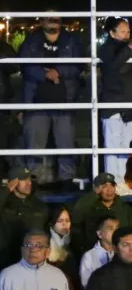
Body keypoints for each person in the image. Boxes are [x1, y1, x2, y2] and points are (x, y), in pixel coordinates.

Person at [18, 14, 82, 187]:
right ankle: (34, 181)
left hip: (65, 101)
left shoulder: (71, 41)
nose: (54, 20)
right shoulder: (31, 41)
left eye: (57, 17)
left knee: (66, 143)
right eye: (49, 18)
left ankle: (66, 180)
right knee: (34, 144)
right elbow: (24, 66)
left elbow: (79, 66)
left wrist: (58, 72)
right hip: (36, 102)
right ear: (41, 22)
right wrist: (45, 73)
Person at [98, 17, 132, 181]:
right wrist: (130, 46)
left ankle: (120, 180)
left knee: (124, 146)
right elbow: (113, 66)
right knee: (112, 146)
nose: (127, 34)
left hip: (130, 104)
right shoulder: (105, 49)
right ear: (112, 33)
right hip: (113, 103)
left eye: (128, 31)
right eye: (122, 31)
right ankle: (112, 182)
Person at [70, 173, 132, 254]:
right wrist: (93, 194)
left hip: (121, 253)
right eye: (104, 186)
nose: (109, 189)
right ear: (97, 189)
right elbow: (77, 214)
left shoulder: (125, 208)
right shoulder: (89, 209)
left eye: (112, 185)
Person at [0, 167, 49, 269]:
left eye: (29, 179)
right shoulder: (5, 205)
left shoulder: (39, 205)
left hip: (34, 263)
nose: (29, 183)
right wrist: (6, 190)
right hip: (7, 262)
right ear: (13, 183)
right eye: (24, 179)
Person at [79, 215, 119, 289]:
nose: (115, 231)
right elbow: (86, 284)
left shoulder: (121, 252)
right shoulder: (89, 256)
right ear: (99, 234)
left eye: (117, 228)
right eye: (111, 228)